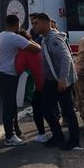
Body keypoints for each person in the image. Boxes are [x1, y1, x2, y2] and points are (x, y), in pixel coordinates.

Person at [32, 13, 81, 151]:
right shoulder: (45, 38)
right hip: (51, 79)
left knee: (67, 111)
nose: (33, 26)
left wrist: (63, 78)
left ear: (46, 23)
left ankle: (74, 141)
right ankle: (58, 136)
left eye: (36, 23)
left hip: (60, 79)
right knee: (45, 108)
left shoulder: (54, 39)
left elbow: (65, 58)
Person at [0, 14, 41, 146]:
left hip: (0, 72)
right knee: (10, 106)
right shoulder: (14, 38)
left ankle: (13, 133)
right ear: (17, 24)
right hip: (8, 74)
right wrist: (28, 39)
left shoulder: (0, 36)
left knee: (10, 104)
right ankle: (10, 136)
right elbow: (37, 49)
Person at [15, 31, 48, 142]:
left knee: (38, 109)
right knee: (48, 108)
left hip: (38, 83)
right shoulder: (36, 44)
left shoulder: (24, 51)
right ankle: (54, 132)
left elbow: (19, 68)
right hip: (48, 79)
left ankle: (42, 134)